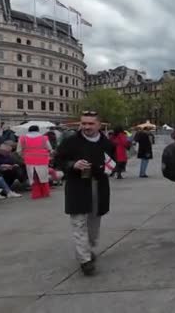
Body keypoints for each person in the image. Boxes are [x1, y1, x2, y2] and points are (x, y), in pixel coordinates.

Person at [55, 111, 115, 276]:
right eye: (84, 123)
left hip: (99, 186)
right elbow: (57, 160)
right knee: (79, 223)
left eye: (90, 123)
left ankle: (88, 248)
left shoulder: (106, 142)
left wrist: (110, 167)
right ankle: (85, 260)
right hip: (78, 187)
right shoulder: (70, 142)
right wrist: (72, 164)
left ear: (99, 125)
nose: (86, 127)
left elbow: (114, 160)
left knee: (93, 225)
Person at [19, 125, 52, 199]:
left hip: (29, 160)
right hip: (42, 159)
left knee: (33, 177)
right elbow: (49, 148)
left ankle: (36, 194)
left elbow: (19, 150)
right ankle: (45, 192)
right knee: (43, 176)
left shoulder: (23, 138)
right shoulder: (44, 138)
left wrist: (23, 155)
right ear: (38, 130)